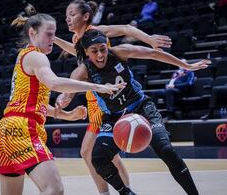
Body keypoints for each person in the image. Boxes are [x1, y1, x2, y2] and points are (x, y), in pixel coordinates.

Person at [58, 29, 210, 195]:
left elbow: (153, 54)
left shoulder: (120, 52)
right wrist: (64, 97)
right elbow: (68, 87)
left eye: (103, 49)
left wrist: (185, 65)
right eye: (95, 51)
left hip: (141, 107)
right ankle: (126, 192)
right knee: (98, 158)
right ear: (86, 52)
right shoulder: (83, 70)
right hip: (113, 117)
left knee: (166, 149)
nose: (101, 55)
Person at [0, 13, 124, 195]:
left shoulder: (24, 56)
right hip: (21, 128)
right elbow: (54, 83)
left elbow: (36, 105)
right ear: (32, 33)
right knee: (54, 189)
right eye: (48, 34)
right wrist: (97, 86)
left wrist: (66, 115)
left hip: (4, 131)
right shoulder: (37, 57)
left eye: (54, 34)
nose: (52, 39)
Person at [54, 0, 172, 194]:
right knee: (107, 155)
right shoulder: (78, 39)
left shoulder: (97, 31)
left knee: (89, 151)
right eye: (66, 14)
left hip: (105, 102)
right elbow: (74, 50)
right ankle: (124, 190)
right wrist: (54, 39)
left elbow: (126, 28)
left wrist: (149, 39)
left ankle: (113, 191)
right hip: (94, 99)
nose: (67, 17)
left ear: (85, 16)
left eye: (72, 13)